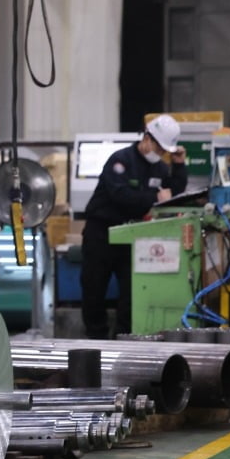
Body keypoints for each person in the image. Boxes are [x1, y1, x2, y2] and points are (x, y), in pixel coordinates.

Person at [81, 113, 188, 339]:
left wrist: (179, 166)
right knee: (94, 289)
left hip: (132, 236)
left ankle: (124, 339)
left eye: (164, 151)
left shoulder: (160, 169)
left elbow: (174, 193)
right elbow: (120, 195)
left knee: (131, 292)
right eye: (159, 148)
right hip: (101, 233)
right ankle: (96, 339)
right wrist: (154, 197)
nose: (160, 154)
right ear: (147, 138)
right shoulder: (120, 161)